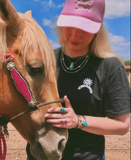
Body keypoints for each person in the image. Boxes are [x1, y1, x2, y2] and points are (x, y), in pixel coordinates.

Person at [26, 0, 130, 160]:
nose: (75, 35)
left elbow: (122, 125)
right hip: (38, 155)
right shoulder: (43, 60)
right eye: (70, 26)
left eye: (85, 28)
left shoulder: (110, 67)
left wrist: (78, 121)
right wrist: (0, 116)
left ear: (98, 30)